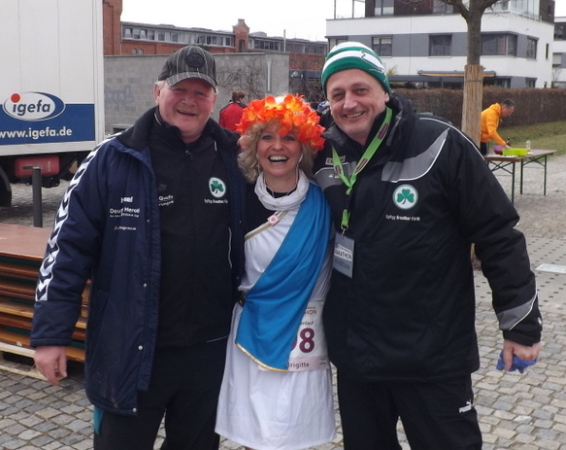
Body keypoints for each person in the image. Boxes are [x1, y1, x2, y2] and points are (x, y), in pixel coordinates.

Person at [313, 42, 542, 450]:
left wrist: (521, 326)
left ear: (385, 91)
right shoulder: (324, 152)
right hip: (358, 360)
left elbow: (499, 234)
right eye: (338, 94)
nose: (349, 103)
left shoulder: (440, 144)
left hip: (432, 358)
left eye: (361, 89)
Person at [30, 44, 246, 450]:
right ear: (157, 91)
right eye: (180, 89)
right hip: (130, 346)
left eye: (200, 92)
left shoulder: (236, 158)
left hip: (210, 350)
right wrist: (51, 335)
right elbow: (67, 250)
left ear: (214, 100)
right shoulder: (113, 158)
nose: (189, 100)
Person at [215, 94, 336, 449]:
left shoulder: (327, 203)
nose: (277, 146)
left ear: (304, 146)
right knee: (255, 434)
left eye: (289, 137)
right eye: (267, 137)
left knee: (294, 433)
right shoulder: (238, 201)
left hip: (303, 337)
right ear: (254, 145)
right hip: (251, 331)